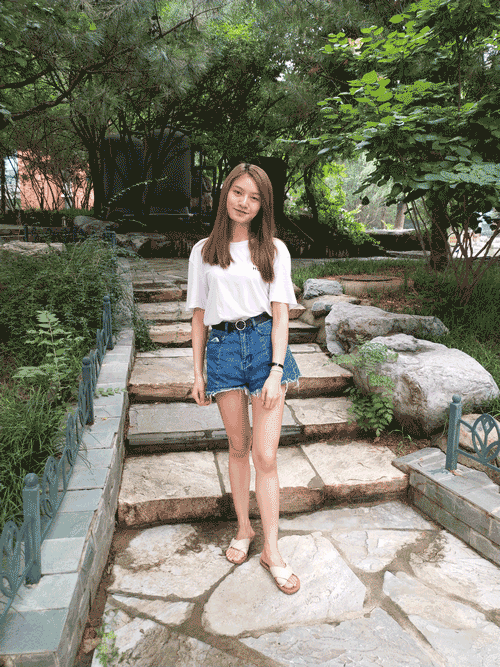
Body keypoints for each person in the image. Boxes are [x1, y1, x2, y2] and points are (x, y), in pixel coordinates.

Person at [186, 163, 302, 595]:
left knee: (265, 455)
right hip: (221, 351)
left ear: (262, 205)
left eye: (254, 197)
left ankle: (272, 548)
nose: (244, 202)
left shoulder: (273, 249)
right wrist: (197, 372)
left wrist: (276, 370)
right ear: (225, 193)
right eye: (238, 192)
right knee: (238, 448)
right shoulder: (203, 251)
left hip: (263, 348)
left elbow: (281, 315)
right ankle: (243, 528)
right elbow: (199, 316)